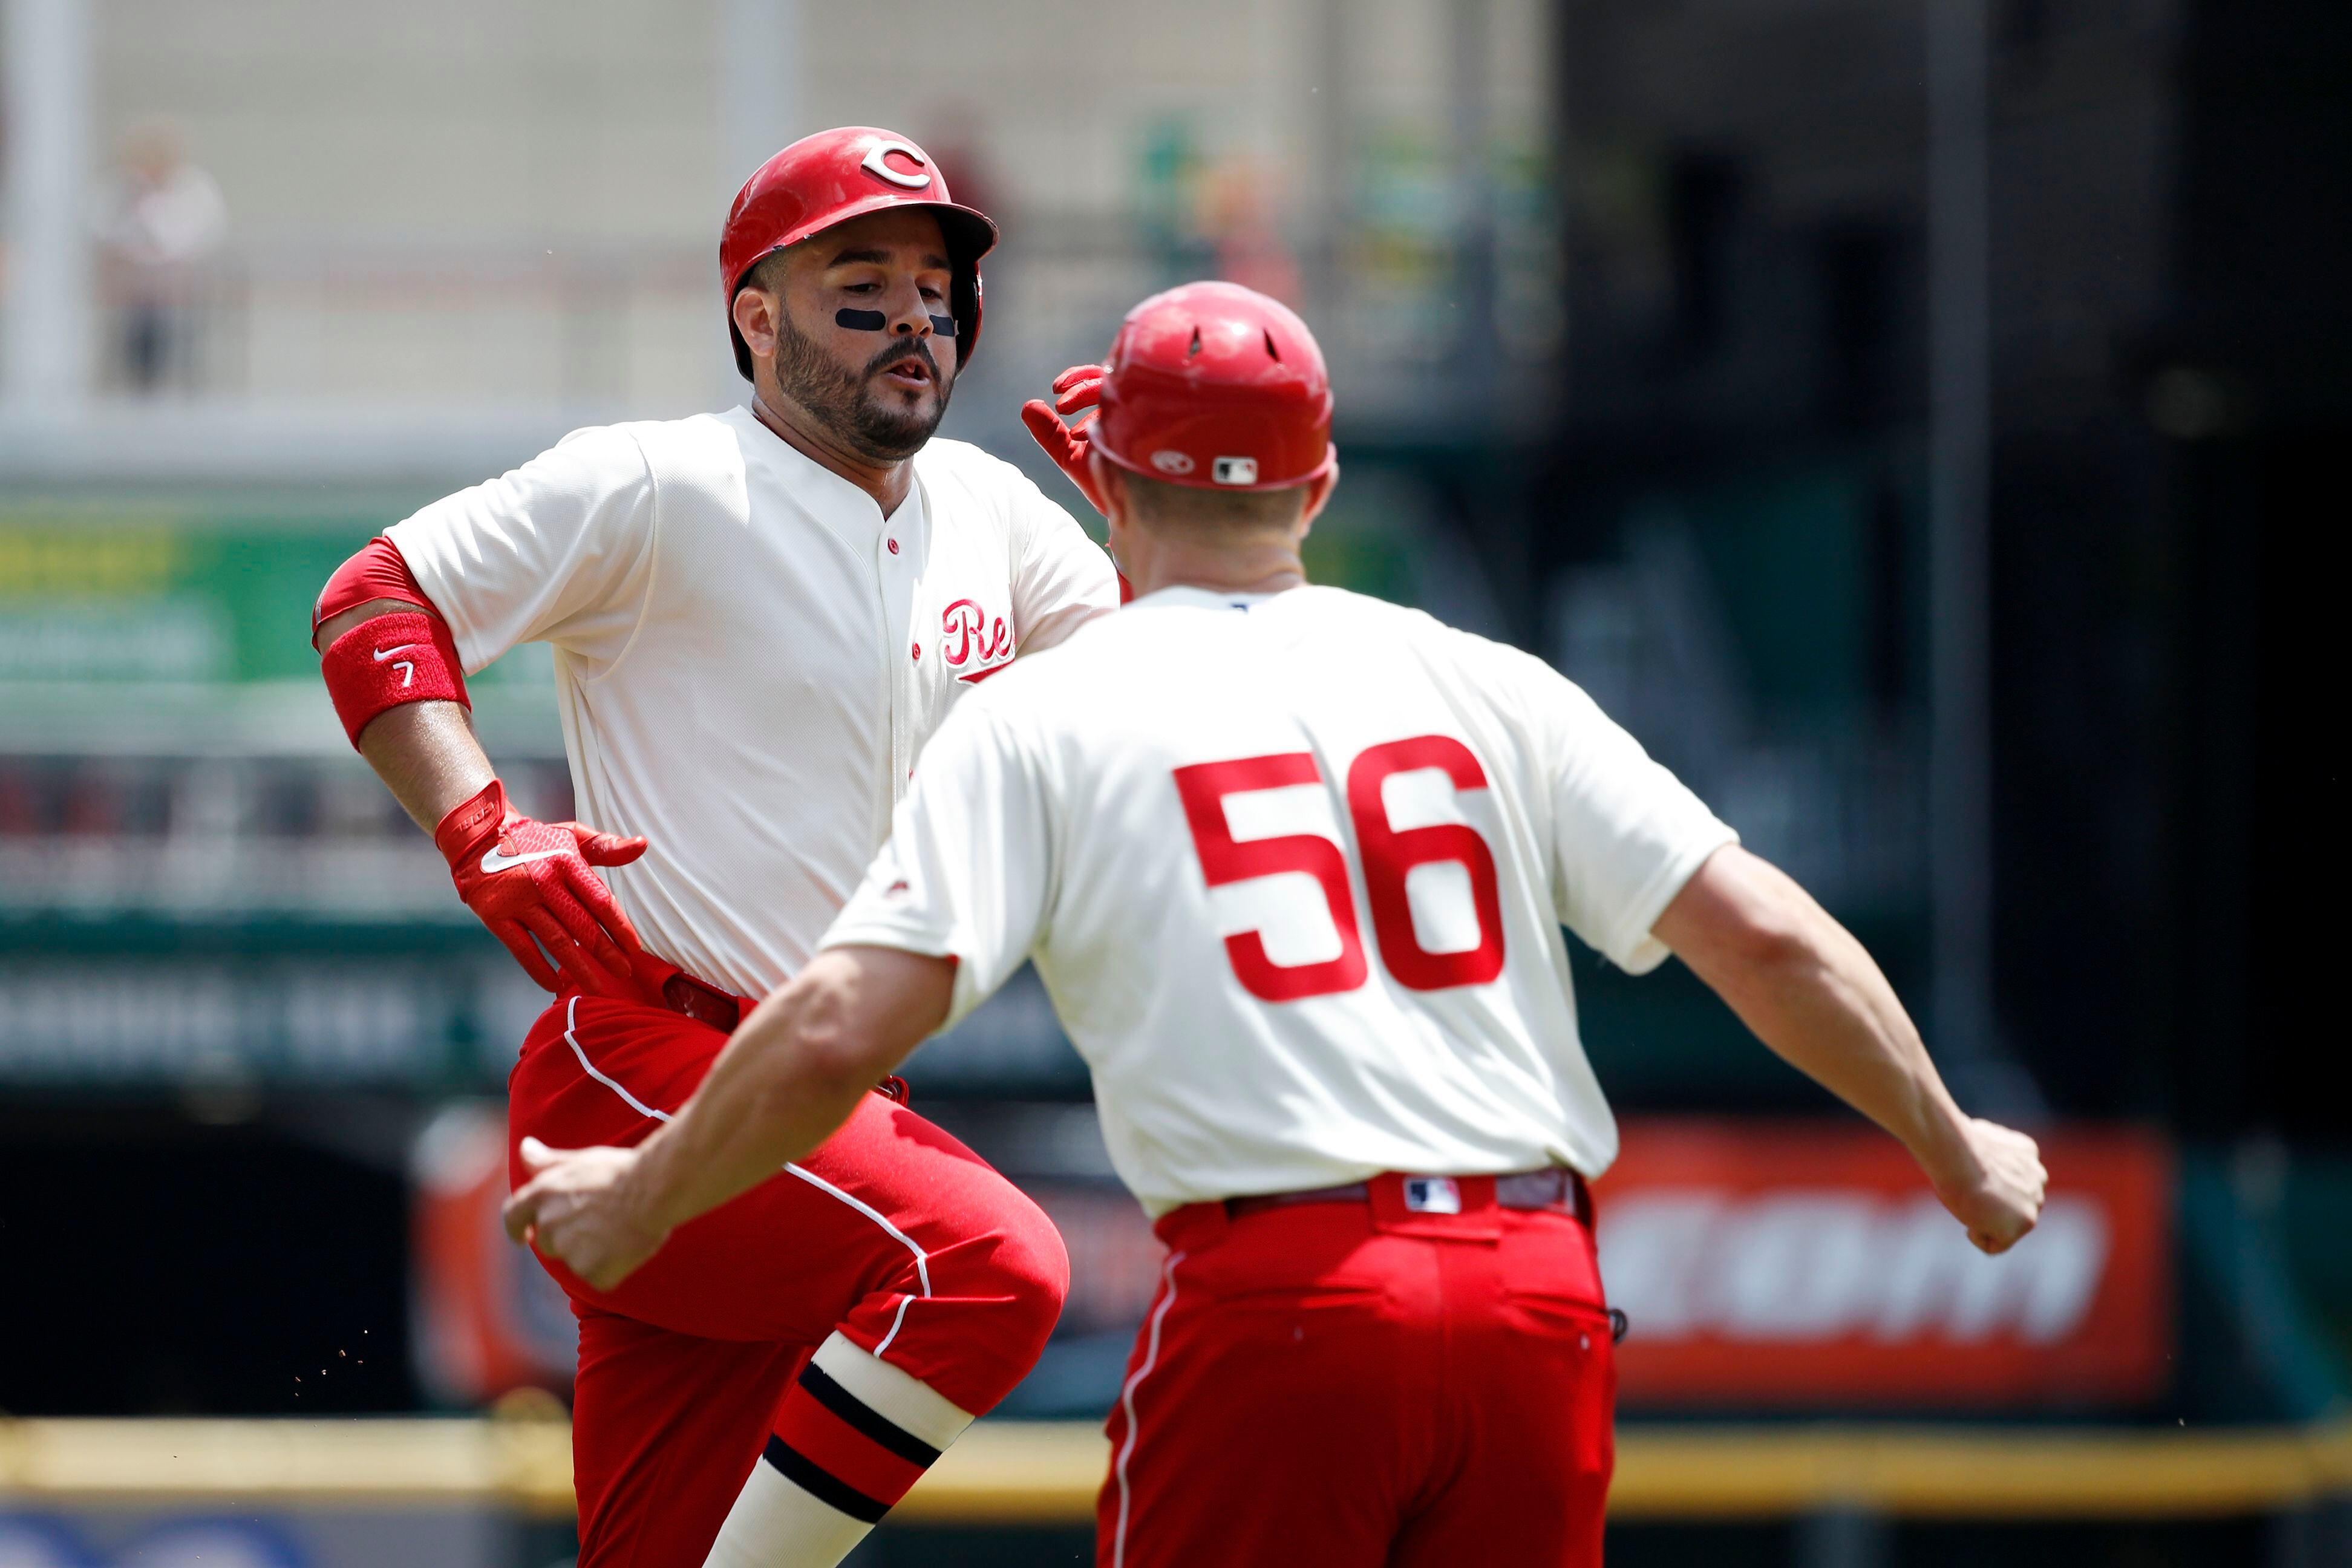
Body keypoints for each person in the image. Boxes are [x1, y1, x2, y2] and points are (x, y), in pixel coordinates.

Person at [505, 282, 2047, 1568]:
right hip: (1538, 1298)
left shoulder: (1051, 708)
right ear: (1318, 488)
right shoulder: (1480, 675)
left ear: (1100, 480)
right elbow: (1766, 938)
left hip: (1290, 1295)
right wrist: (1955, 1149)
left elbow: (842, 1024)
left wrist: (649, 1192)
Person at [310, 127, 1119, 1568]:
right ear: (758, 316)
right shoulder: (658, 481)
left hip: (816, 1100)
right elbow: (375, 600)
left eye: (936, 285)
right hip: (648, 1064)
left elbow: (1167, 702)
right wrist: (478, 824)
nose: (915, 317)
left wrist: (1164, 535)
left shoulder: (993, 513)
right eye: (860, 281)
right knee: (989, 1264)